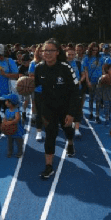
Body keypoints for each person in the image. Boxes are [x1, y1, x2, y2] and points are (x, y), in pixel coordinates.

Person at [34, 39, 79, 179]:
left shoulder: (66, 68)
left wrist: (71, 113)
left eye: (50, 50)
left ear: (57, 52)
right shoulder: (39, 68)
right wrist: (24, 85)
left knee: (67, 130)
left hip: (65, 107)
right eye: (44, 50)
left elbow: (75, 91)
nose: (47, 53)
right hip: (48, 108)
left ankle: (70, 143)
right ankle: (49, 166)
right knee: (50, 136)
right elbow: (34, 86)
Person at [83, 42, 105, 122]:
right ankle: (91, 112)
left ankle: (97, 115)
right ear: (90, 49)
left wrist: (104, 77)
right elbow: (85, 70)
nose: (94, 51)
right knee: (91, 98)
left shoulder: (100, 58)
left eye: (96, 50)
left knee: (98, 98)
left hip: (99, 80)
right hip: (91, 80)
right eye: (93, 50)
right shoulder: (86, 58)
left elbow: (102, 69)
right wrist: (87, 81)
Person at [29, 44, 45, 141]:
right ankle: (38, 131)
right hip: (38, 90)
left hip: (49, 90)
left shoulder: (50, 63)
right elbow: (31, 76)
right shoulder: (33, 63)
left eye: (43, 51)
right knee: (39, 111)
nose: (41, 53)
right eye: (40, 51)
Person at [2, 93, 25, 158]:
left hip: (17, 131)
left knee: (18, 142)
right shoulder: (6, 110)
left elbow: (17, 119)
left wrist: (9, 123)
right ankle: (10, 151)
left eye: (6, 100)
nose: (5, 102)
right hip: (10, 131)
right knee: (9, 142)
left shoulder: (16, 111)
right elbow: (5, 118)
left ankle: (20, 151)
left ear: (10, 103)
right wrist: (4, 122)